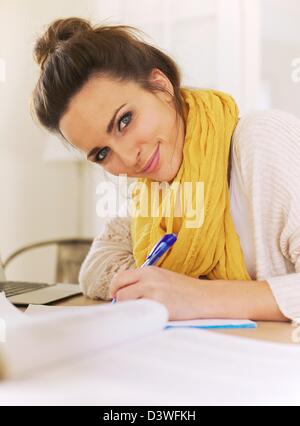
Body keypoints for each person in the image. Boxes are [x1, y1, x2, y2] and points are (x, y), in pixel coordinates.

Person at [31, 17, 300, 321]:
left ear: (161, 86)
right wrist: (158, 287)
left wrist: (196, 294)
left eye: (124, 120)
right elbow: (96, 265)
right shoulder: (155, 191)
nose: (128, 158)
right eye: (102, 153)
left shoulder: (262, 140)